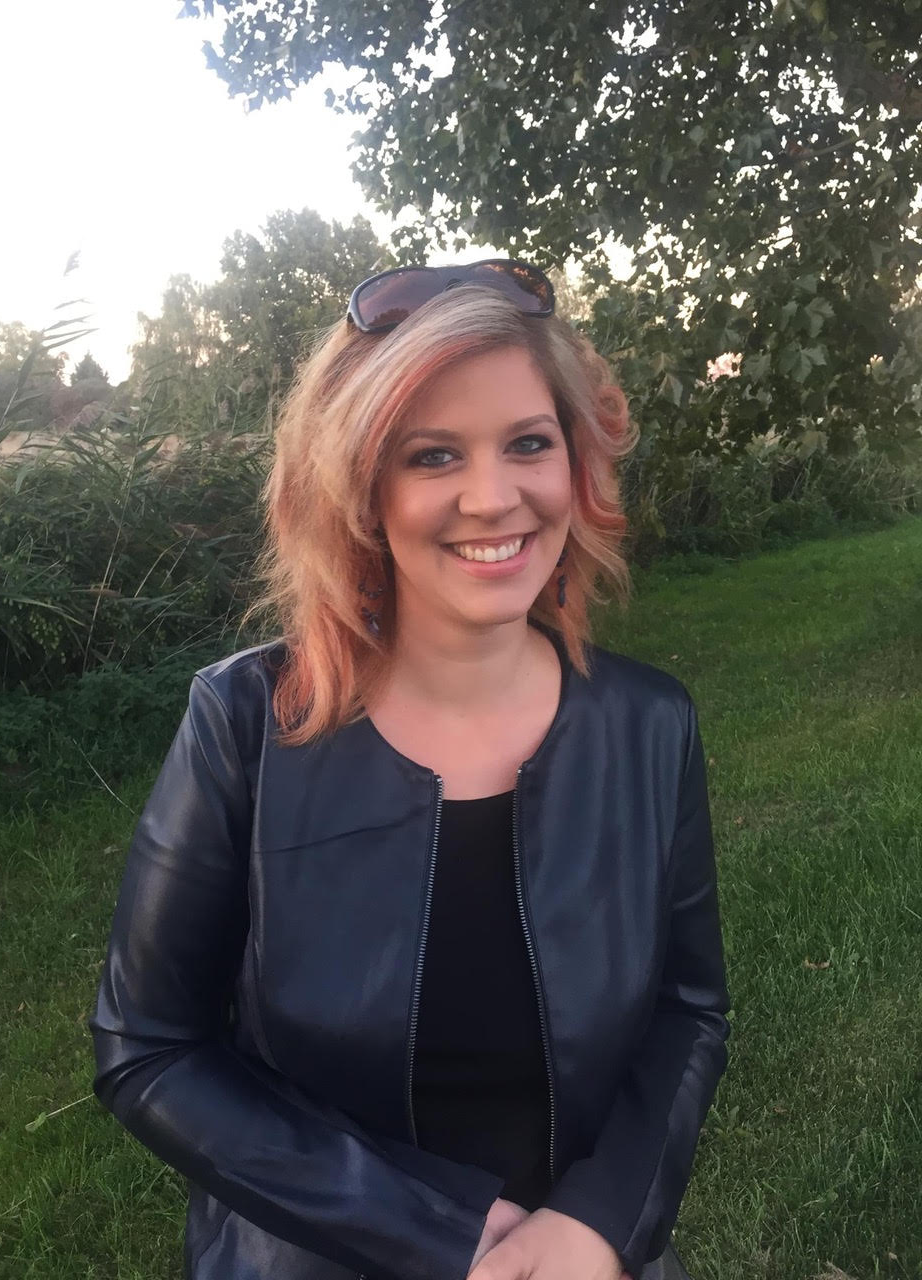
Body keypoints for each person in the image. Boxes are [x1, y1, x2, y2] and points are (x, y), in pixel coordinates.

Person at [89, 259, 730, 1280]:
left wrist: (602, 1219)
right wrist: (439, 1232)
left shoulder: (651, 724)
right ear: (359, 489)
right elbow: (149, 1046)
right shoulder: (245, 723)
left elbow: (687, 1011)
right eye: (434, 455)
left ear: (576, 463)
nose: (494, 496)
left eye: (529, 442)